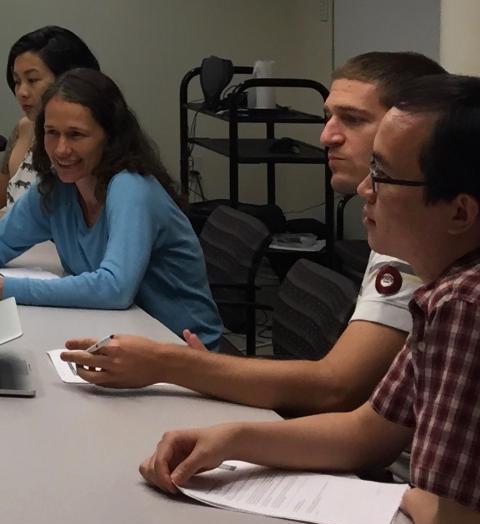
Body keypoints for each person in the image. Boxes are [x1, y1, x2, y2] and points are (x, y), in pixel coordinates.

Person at [138, 74, 480, 524]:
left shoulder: (465, 303)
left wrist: (409, 495)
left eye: (383, 176)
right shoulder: (443, 292)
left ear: (460, 211)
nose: (365, 188)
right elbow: (367, 431)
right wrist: (233, 439)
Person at [61, 52, 445, 414]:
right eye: (328, 116)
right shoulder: (394, 230)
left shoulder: (418, 241)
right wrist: (196, 369)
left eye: (353, 120)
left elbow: (337, 387)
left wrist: (173, 364)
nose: (326, 136)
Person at [0, 68, 222, 350]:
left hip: (186, 353)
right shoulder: (56, 188)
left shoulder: (131, 187)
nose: (61, 149)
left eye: (76, 135)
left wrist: (7, 289)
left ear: (110, 137)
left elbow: (115, 289)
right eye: (52, 133)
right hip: (123, 338)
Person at [0, 26, 100, 208]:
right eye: (16, 81)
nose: (21, 92)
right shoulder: (25, 127)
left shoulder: (94, 145)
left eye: (32, 80)